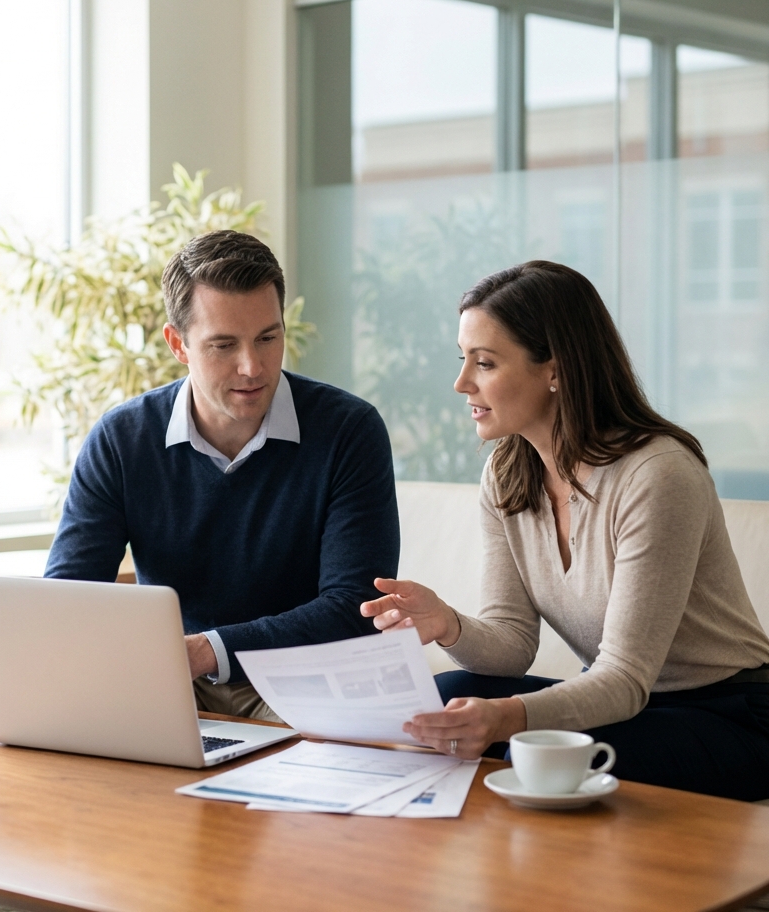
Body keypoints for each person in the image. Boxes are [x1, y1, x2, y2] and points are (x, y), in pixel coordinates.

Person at [361, 260, 769, 801]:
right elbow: (512, 647)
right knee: (443, 697)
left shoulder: (658, 475)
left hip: (728, 715)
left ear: (555, 369)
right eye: (463, 360)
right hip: (625, 703)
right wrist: (448, 624)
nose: (461, 383)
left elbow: (623, 678)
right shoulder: (508, 475)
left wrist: (505, 719)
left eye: (484, 363)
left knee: (527, 752)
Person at [46, 229, 400, 720]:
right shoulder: (122, 439)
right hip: (171, 681)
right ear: (178, 344)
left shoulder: (348, 430)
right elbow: (69, 596)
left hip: (306, 680)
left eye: (267, 338)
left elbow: (356, 607)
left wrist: (208, 650)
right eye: (223, 345)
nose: (252, 366)